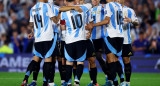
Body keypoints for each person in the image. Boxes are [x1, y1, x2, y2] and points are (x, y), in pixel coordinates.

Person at [21, 0, 60, 85]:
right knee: (48, 59)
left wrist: (32, 33)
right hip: (47, 37)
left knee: (35, 59)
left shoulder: (32, 8)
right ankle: (45, 82)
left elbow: (31, 24)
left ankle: (25, 79)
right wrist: (59, 14)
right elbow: (56, 21)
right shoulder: (47, 6)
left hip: (38, 38)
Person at [86, 0, 124, 85]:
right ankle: (93, 81)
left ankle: (109, 78)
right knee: (91, 59)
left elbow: (110, 16)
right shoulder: (89, 10)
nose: (94, 0)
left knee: (103, 57)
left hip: (103, 37)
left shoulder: (103, 7)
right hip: (92, 38)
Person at [60, 0, 92, 85]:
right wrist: (79, 5)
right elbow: (90, 5)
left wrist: (63, 36)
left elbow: (62, 26)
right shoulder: (83, 8)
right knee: (80, 62)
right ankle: (77, 81)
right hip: (81, 40)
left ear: (66, 2)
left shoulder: (63, 13)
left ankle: (69, 82)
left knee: (69, 62)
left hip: (69, 40)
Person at [118, 0, 139, 86]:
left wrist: (131, 20)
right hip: (114, 40)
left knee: (126, 60)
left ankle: (127, 82)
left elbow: (137, 22)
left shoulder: (130, 10)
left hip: (125, 40)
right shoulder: (111, 10)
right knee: (112, 60)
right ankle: (117, 80)